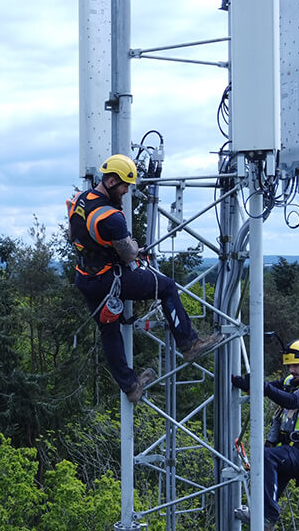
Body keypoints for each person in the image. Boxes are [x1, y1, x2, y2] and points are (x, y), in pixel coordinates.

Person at [68, 154, 222, 402]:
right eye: (124, 185)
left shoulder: (80, 201)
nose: (126, 191)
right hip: (110, 279)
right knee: (168, 288)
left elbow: (74, 235)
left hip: (86, 277)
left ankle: (130, 386)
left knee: (109, 330)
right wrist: (134, 248)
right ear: (110, 182)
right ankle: (189, 343)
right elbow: (128, 256)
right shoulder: (112, 217)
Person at [232, 339, 299, 531]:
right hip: (288, 451)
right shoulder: (291, 382)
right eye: (289, 366)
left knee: (266, 458)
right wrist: (237, 380)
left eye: (295, 366)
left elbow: (292, 401)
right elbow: (269, 388)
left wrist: (264, 387)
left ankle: (267, 517)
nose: (291, 370)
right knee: (267, 497)